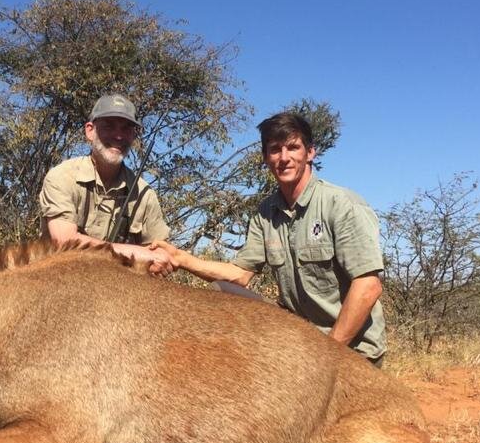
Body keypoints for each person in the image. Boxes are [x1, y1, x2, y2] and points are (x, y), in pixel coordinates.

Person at [151, 110, 386, 364]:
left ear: (310, 153)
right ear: (265, 157)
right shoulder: (266, 212)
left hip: (348, 350)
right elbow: (239, 274)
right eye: (275, 149)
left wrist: (327, 355)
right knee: (222, 292)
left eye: (293, 147)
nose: (284, 158)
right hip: (301, 342)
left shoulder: (341, 204)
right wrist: (180, 258)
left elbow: (368, 287)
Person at [40, 93, 173, 270]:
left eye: (126, 129)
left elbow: (162, 254)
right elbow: (65, 242)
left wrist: (159, 261)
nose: (118, 136)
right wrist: (135, 254)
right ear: (89, 131)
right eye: (109, 126)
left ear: (133, 136)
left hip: (119, 289)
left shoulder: (144, 193)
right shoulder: (62, 176)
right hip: (60, 278)